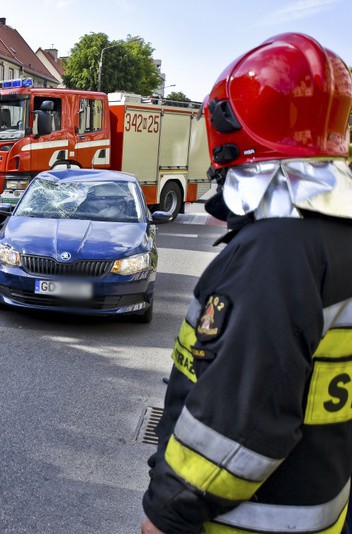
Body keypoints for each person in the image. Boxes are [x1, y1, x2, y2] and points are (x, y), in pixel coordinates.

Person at [141, 33, 352, 533]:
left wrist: (164, 513)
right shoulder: (336, 239)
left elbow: (239, 424)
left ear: (229, 127)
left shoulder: (276, 252)